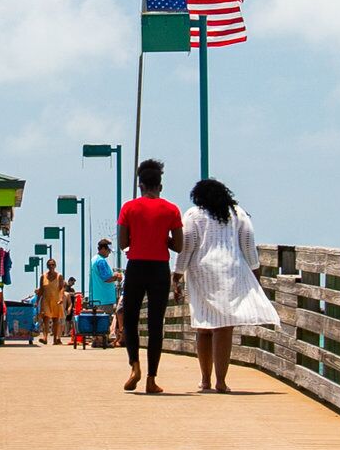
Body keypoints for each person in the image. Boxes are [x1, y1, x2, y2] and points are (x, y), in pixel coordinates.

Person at [176, 177, 275, 393]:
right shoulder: (237, 213)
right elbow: (248, 243)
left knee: (203, 326)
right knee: (224, 327)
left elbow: (187, 246)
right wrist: (255, 272)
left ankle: (205, 380)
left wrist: (176, 274)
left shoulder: (194, 214)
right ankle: (221, 381)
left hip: (202, 272)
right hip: (232, 270)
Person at [116, 158, 181, 393]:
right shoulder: (171, 209)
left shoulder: (129, 208)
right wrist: (162, 238)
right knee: (156, 324)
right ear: (160, 186)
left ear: (140, 185)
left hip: (136, 267)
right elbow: (180, 245)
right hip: (159, 270)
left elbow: (123, 242)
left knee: (131, 320)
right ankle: (152, 379)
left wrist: (139, 238)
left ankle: (134, 366)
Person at [81, 251, 117, 348]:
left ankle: (96, 340)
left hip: (96, 295)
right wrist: (117, 276)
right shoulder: (101, 261)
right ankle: (102, 342)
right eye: (108, 250)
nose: (109, 253)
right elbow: (106, 278)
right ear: (103, 249)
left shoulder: (94, 259)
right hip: (104, 296)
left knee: (96, 319)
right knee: (104, 320)